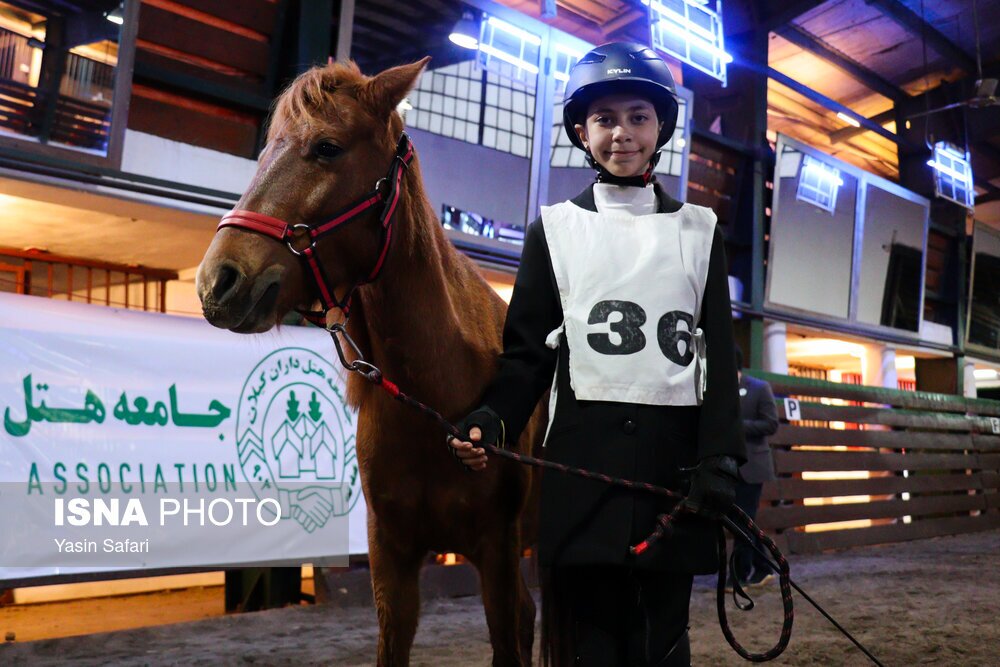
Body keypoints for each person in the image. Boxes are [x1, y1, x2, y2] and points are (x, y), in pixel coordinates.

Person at [449, 42, 745, 667]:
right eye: (605, 119)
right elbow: (526, 357)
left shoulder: (702, 230)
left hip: (674, 478)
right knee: (588, 647)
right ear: (582, 133)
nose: (623, 134)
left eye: (638, 116)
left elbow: (719, 355)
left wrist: (720, 458)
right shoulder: (551, 230)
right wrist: (490, 418)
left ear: (660, 126)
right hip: (584, 474)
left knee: (662, 644)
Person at [731, 345, 779, 588]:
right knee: (743, 520)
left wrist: (738, 426)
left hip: (752, 466)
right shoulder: (718, 392)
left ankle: (739, 574)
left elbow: (771, 424)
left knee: (744, 520)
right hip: (730, 467)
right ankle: (763, 567)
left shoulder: (759, 388)